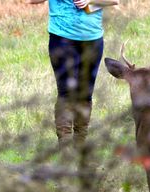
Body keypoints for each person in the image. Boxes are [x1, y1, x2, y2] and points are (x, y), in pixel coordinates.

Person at [26, 0, 119, 148]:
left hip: (93, 39)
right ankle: (65, 148)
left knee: (85, 94)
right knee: (66, 93)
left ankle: (80, 144)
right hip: (63, 37)